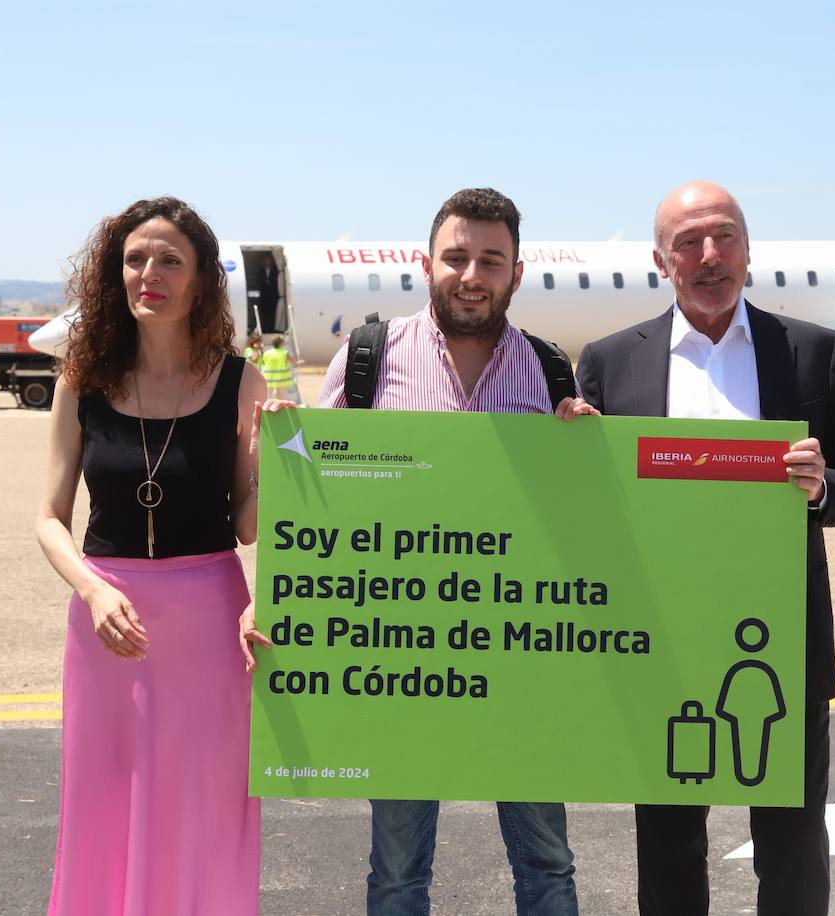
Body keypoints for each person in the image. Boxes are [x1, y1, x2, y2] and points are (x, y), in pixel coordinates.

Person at [265, 187, 596, 916]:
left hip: (521, 660)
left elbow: (583, 524)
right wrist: (285, 435)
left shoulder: (551, 372)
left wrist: (588, 448)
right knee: (397, 872)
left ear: (516, 271)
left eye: (490, 259)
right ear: (426, 263)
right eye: (456, 257)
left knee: (548, 866)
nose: (471, 274)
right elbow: (315, 501)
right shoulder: (367, 359)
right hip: (405, 660)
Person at [576, 181, 835, 915]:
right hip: (661, 640)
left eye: (724, 238)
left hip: (782, 643)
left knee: (793, 843)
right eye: (689, 242)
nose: (709, 256)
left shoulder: (813, 352)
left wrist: (820, 490)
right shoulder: (611, 362)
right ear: (661, 259)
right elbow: (587, 505)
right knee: (669, 844)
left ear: (748, 250)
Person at [36, 196, 269, 916]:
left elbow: (253, 525)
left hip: (210, 621)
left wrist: (271, 459)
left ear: (201, 279)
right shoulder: (81, 379)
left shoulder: (243, 380)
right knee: (103, 807)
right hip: (107, 624)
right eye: (135, 258)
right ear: (116, 273)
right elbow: (48, 519)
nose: (150, 273)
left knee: (203, 806)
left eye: (171, 260)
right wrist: (93, 591)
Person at [260, 334, 304, 404]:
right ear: (281, 343)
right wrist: (299, 363)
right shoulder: (284, 353)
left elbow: (263, 364)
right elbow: (295, 364)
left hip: (269, 379)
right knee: (281, 399)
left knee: (268, 398)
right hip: (282, 380)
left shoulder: (266, 353)